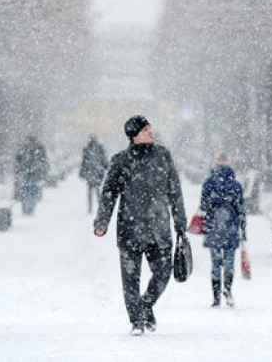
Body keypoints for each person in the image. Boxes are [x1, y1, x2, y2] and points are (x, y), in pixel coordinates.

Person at [94, 115, 187, 336]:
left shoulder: (163, 156)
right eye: (145, 129)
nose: (150, 132)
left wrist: (180, 222)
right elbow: (109, 193)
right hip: (130, 229)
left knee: (163, 273)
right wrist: (101, 222)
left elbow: (175, 191)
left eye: (150, 128)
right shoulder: (120, 161)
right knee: (130, 279)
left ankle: (145, 305)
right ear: (134, 135)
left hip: (159, 229)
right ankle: (136, 321)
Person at [199, 152, 247, 308]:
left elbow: (204, 206)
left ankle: (216, 296)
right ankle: (228, 291)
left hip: (213, 226)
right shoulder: (236, 185)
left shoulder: (209, 183)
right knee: (228, 262)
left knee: (215, 263)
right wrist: (243, 229)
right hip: (231, 227)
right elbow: (241, 209)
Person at [14, 134, 49, 215]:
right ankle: (30, 208)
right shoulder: (39, 147)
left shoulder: (23, 147)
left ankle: (27, 207)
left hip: (27, 172)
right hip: (33, 173)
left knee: (26, 190)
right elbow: (44, 160)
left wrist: (18, 170)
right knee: (31, 190)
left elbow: (18, 160)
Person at [79, 134, 109, 214]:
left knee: (91, 191)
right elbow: (104, 159)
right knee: (97, 190)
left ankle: (91, 208)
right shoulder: (99, 148)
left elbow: (84, 162)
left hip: (91, 173)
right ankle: (99, 207)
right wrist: (106, 167)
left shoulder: (88, 148)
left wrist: (82, 172)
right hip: (97, 172)